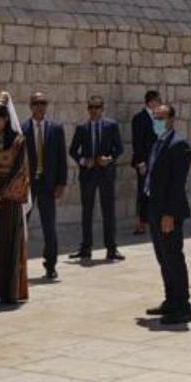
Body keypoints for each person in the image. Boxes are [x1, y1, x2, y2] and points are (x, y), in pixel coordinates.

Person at [142, 103, 191, 324]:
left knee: (174, 259)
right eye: (155, 117)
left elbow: (177, 184)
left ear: (171, 120)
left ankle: (183, 306)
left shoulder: (178, 145)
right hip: (155, 210)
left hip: (168, 213)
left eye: (161, 117)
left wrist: (170, 214)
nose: (157, 121)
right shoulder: (158, 143)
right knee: (164, 259)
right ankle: (170, 300)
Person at [0, 95, 30, 304]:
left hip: (8, 200)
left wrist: (1, 195)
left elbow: (20, 171)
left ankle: (8, 291)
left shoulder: (18, 142)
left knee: (7, 245)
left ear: (6, 120)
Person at [68, 94, 124, 262]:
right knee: (87, 211)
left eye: (97, 107)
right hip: (88, 174)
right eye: (91, 108)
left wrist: (109, 159)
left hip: (106, 174)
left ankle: (111, 248)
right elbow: (73, 150)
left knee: (109, 211)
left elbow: (119, 148)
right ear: (88, 110)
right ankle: (86, 248)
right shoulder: (82, 128)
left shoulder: (111, 126)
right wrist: (84, 161)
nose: (94, 111)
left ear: (102, 109)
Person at [23, 92, 67, 280]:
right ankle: (19, 265)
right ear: (30, 106)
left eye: (43, 103)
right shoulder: (22, 129)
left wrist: (61, 183)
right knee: (22, 225)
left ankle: (50, 265)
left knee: (49, 226)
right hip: (28, 186)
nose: (40, 106)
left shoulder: (56, 129)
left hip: (48, 185)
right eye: (36, 103)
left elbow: (61, 158)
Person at [129, 90, 160, 236]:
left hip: (157, 161)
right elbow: (137, 142)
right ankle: (140, 222)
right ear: (150, 101)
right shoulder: (139, 118)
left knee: (155, 191)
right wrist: (140, 162)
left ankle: (153, 219)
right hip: (145, 161)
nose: (158, 104)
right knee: (142, 191)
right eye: (157, 101)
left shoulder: (158, 118)